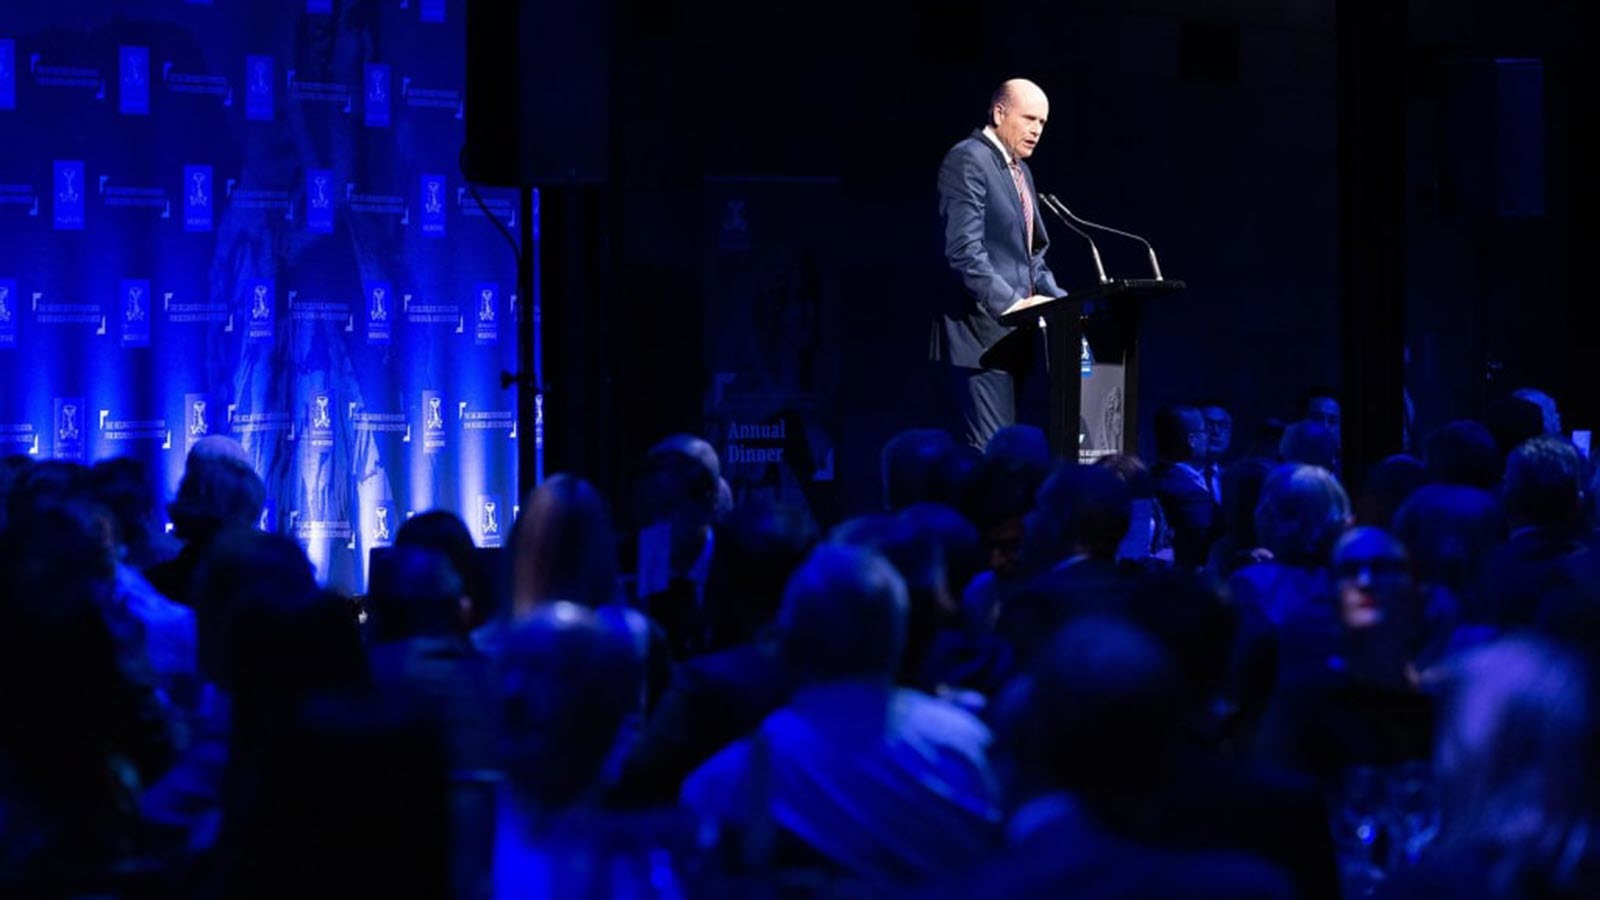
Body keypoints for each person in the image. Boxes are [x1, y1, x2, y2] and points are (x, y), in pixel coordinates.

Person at [934, 78, 1065, 450]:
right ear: (998, 113)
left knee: (1018, 454)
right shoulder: (968, 158)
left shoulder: (1020, 171)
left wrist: (1066, 303)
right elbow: (962, 250)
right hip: (979, 338)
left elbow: (1032, 257)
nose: (1037, 130)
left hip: (1015, 339)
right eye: (1029, 119)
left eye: (1042, 123)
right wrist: (1011, 304)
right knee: (993, 459)